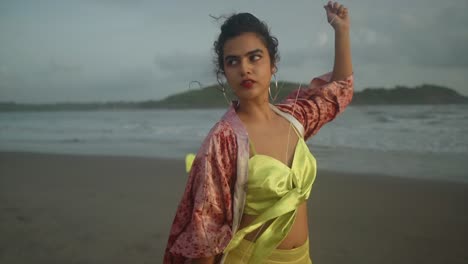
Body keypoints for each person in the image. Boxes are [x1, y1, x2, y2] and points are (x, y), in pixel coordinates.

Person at [164, 1, 353, 263]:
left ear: (272, 63)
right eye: (233, 62)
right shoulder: (225, 139)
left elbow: (339, 91)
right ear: (225, 73)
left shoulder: (294, 118)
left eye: (254, 57)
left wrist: (341, 31)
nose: (245, 69)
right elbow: (205, 232)